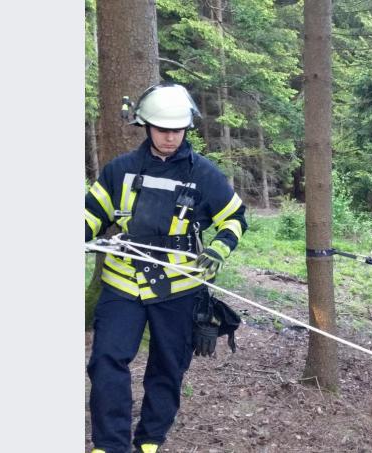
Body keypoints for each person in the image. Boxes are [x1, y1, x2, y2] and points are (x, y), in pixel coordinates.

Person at [84, 82, 248, 453]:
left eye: (177, 130)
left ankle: (150, 441)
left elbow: (235, 217)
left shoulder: (205, 175)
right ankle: (109, 445)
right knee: (107, 361)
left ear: (187, 128)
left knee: (168, 369)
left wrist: (220, 248)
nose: (170, 137)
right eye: (163, 129)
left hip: (179, 287)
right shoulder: (119, 170)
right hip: (122, 284)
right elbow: (92, 213)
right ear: (146, 126)